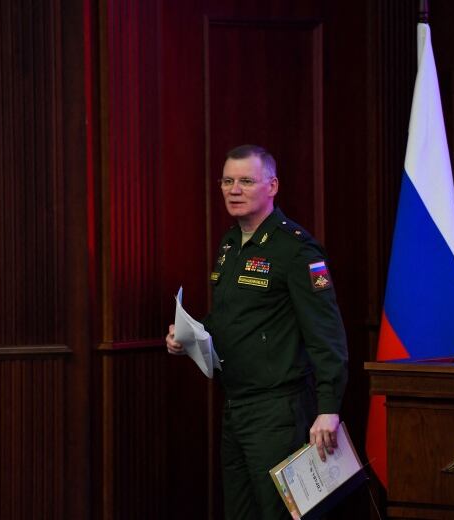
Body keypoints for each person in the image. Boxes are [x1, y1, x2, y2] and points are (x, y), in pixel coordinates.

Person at [165, 144, 348, 520]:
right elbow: (232, 317)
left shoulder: (296, 249)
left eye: (246, 181)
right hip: (236, 405)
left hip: (279, 411)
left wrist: (329, 408)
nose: (234, 189)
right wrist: (187, 335)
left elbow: (327, 334)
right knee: (240, 512)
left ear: (273, 185)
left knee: (281, 514)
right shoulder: (231, 243)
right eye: (227, 181)